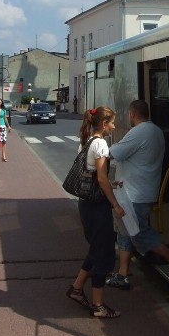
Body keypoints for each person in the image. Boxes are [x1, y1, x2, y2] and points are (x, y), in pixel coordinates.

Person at [107, 100, 169, 290]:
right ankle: (122, 275)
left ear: (132, 114)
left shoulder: (140, 132)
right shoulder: (156, 131)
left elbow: (114, 153)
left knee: (138, 233)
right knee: (125, 232)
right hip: (142, 190)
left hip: (135, 193)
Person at [66, 106, 126, 318]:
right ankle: (98, 305)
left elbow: (91, 175)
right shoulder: (100, 143)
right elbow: (99, 178)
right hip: (97, 207)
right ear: (103, 124)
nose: (114, 126)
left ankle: (76, 288)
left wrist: (111, 182)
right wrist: (115, 205)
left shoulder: (86, 140)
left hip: (86, 204)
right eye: (111, 122)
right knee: (104, 254)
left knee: (95, 249)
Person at [0, 98, 12, 162]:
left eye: (0, 102)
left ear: (1, 103)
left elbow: (5, 118)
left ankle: (3, 155)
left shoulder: (3, 110)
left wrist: (8, 126)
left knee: (4, 141)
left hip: (2, 126)